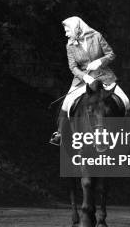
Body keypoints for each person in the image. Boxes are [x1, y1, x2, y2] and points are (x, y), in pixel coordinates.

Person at [49, 16, 119, 145]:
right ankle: (59, 133)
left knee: (124, 100)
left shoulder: (97, 36)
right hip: (82, 79)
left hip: (103, 75)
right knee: (67, 102)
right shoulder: (70, 45)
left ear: (76, 28)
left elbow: (111, 54)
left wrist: (99, 61)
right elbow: (73, 67)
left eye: (67, 31)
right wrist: (84, 76)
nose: (66, 34)